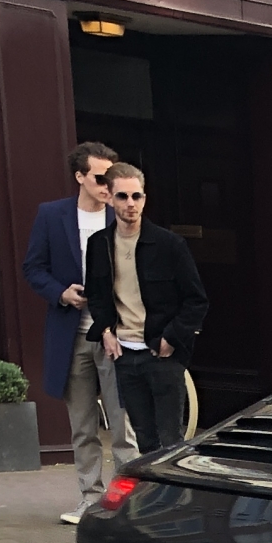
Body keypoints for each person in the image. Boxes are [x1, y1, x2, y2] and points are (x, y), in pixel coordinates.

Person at [22, 141, 132, 525]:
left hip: (115, 331)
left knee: (123, 422)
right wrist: (61, 293)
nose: (108, 185)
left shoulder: (123, 214)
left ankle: (127, 503)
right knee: (82, 424)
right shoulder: (51, 216)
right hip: (71, 332)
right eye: (100, 177)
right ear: (80, 177)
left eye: (112, 177)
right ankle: (90, 498)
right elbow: (33, 267)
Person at [84, 163, 210, 456]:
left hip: (162, 354)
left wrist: (171, 338)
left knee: (171, 440)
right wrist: (105, 331)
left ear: (144, 198)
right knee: (144, 440)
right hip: (125, 355)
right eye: (123, 197)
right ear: (110, 198)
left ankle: (176, 501)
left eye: (137, 196)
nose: (131, 204)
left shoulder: (170, 245)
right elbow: (97, 296)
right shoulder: (99, 245)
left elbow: (196, 300)